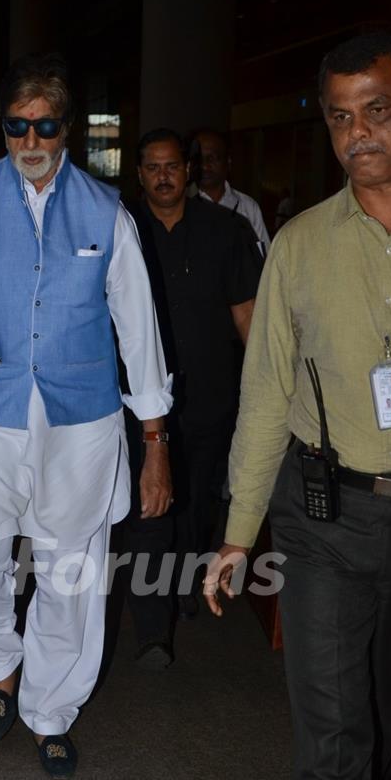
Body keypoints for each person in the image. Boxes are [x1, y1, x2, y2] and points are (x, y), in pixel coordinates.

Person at [0, 53, 173, 778]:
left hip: (81, 421)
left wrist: (154, 440)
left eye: (46, 124)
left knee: (72, 574)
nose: (31, 138)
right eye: (17, 124)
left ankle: (51, 706)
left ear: (68, 130)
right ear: (3, 127)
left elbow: (140, 331)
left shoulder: (106, 211)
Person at [203, 32, 391, 780]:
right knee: (334, 748)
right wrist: (238, 534)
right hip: (328, 520)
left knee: (387, 738)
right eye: (341, 116)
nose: (359, 133)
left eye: (380, 110)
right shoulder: (298, 246)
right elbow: (267, 397)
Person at [122, 128, 261, 666]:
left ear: (190, 169)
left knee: (197, 502)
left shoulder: (226, 230)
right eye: (152, 167)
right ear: (139, 174)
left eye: (172, 166)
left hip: (208, 399)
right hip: (138, 402)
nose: (163, 176)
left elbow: (247, 313)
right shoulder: (123, 229)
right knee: (149, 509)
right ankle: (152, 630)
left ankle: (186, 581)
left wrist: (263, 389)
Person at [193, 127, 270, 257]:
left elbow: (264, 259)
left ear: (228, 162)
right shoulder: (183, 205)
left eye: (212, 158)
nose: (204, 166)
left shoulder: (248, 207)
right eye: (199, 159)